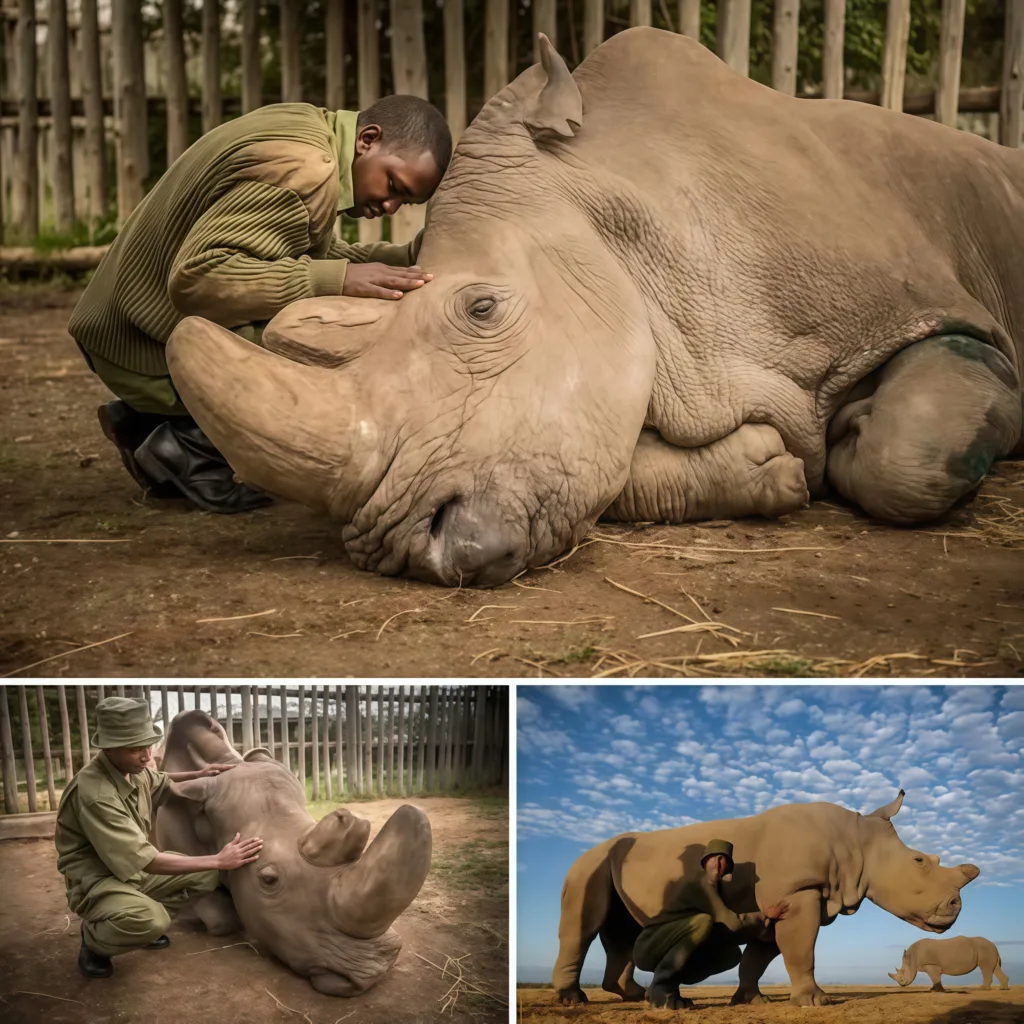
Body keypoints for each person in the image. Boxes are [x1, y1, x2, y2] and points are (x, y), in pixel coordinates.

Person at [68, 95, 453, 514]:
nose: (389, 206)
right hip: (138, 345)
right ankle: (188, 444)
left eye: (405, 202)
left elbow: (296, 253)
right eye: (394, 186)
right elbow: (199, 277)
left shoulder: (308, 129)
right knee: (340, 338)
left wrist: (406, 259)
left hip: (122, 323)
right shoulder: (306, 171)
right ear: (368, 139)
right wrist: (336, 280)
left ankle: (148, 423)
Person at [54, 696, 264, 979]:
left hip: (129, 872)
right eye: (135, 749)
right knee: (153, 919)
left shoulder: (130, 770)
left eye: (148, 746)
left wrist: (201, 773)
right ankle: (96, 939)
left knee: (206, 876)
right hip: (97, 879)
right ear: (109, 749)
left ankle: (134, 917)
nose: (147, 757)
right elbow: (148, 861)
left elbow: (160, 779)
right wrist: (218, 859)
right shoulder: (97, 795)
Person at [632, 839, 789, 1009]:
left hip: (667, 943)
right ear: (708, 861)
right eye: (716, 859)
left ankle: (671, 986)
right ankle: (660, 986)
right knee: (702, 923)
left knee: (731, 954)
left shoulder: (714, 888)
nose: (719, 865)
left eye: (724, 861)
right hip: (648, 946)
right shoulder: (700, 883)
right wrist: (764, 916)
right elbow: (732, 923)